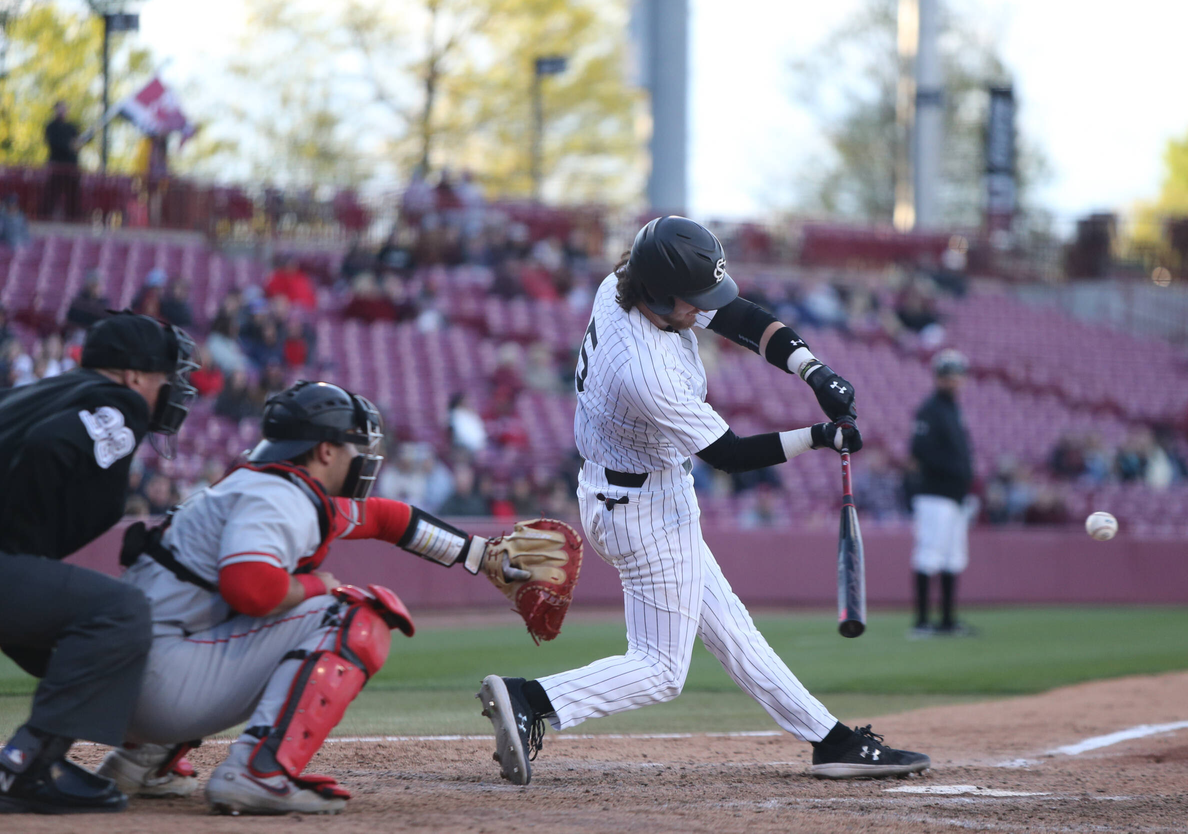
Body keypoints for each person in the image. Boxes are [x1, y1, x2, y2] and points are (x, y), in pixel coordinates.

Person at [477, 216, 929, 786]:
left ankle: (831, 740)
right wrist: (818, 436)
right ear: (659, 293)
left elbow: (738, 315)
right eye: (692, 299)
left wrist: (812, 370)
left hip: (632, 490)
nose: (701, 309)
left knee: (733, 631)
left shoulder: (629, 283)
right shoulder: (645, 369)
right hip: (642, 508)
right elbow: (731, 455)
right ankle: (531, 699)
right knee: (661, 669)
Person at [94, 381, 531, 815]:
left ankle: (140, 761)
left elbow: (386, 518)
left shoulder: (260, 483)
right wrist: (318, 585)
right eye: (355, 447)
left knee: (260, 607)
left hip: (120, 681)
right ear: (325, 451)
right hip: (161, 686)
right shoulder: (280, 496)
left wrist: (481, 554)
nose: (363, 458)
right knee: (354, 614)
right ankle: (258, 773)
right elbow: (249, 588)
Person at [0, 312, 198, 813]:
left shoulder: (42, 392)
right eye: (163, 377)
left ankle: (41, 756)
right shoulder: (120, 402)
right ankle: (28, 766)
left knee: (61, 635)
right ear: (133, 376)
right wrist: (21, 540)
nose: (169, 389)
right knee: (118, 611)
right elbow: (50, 445)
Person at [907, 349, 975, 638]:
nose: (953, 380)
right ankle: (922, 622)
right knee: (929, 554)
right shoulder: (931, 409)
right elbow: (919, 450)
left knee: (952, 557)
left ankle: (947, 620)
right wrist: (954, 470)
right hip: (934, 493)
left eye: (957, 375)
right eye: (948, 375)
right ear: (938, 377)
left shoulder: (953, 409)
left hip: (955, 495)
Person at [41, 101, 82, 220]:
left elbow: (78, 143)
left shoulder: (72, 127)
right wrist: (68, 146)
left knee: (72, 194)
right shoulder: (50, 127)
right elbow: (52, 143)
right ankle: (47, 216)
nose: (62, 111)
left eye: (64, 109)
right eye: (60, 108)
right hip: (56, 166)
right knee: (52, 192)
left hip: (71, 168)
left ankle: (72, 218)